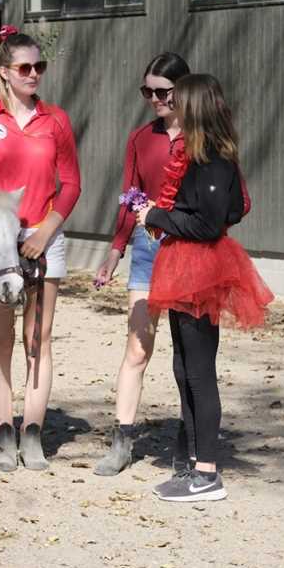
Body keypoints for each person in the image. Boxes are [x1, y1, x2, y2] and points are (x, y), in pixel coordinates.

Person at [137, 73, 273, 501]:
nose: (170, 105)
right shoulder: (203, 156)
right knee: (184, 368)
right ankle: (195, 463)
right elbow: (230, 208)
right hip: (184, 268)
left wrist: (156, 217)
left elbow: (211, 221)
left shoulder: (212, 159)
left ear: (194, 106)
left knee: (198, 371)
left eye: (178, 99)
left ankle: (208, 473)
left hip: (199, 271)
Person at [0, 25, 81, 471]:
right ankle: (4, 431)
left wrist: (46, 230)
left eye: (39, 67)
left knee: (39, 339)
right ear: (6, 72)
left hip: (46, 238)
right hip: (1, 247)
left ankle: (33, 433)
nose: (34, 74)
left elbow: (71, 184)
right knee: (1, 340)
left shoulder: (57, 121)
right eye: (25, 67)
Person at [93, 52, 191, 476]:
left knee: (190, 354)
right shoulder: (140, 138)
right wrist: (115, 250)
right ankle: (122, 440)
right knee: (137, 347)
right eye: (146, 91)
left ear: (183, 89)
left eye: (162, 91)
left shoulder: (204, 136)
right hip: (147, 248)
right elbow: (128, 196)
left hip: (191, 251)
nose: (153, 99)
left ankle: (191, 438)